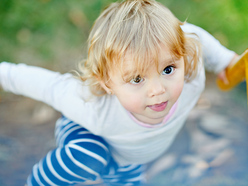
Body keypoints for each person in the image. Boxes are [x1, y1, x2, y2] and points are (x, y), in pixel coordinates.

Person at [0, 0, 238, 185]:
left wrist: (225, 60)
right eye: (136, 78)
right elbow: (46, 85)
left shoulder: (190, 73)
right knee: (91, 155)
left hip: (128, 158)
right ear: (107, 83)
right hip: (86, 131)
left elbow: (190, 35)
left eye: (167, 69)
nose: (158, 90)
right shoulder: (93, 107)